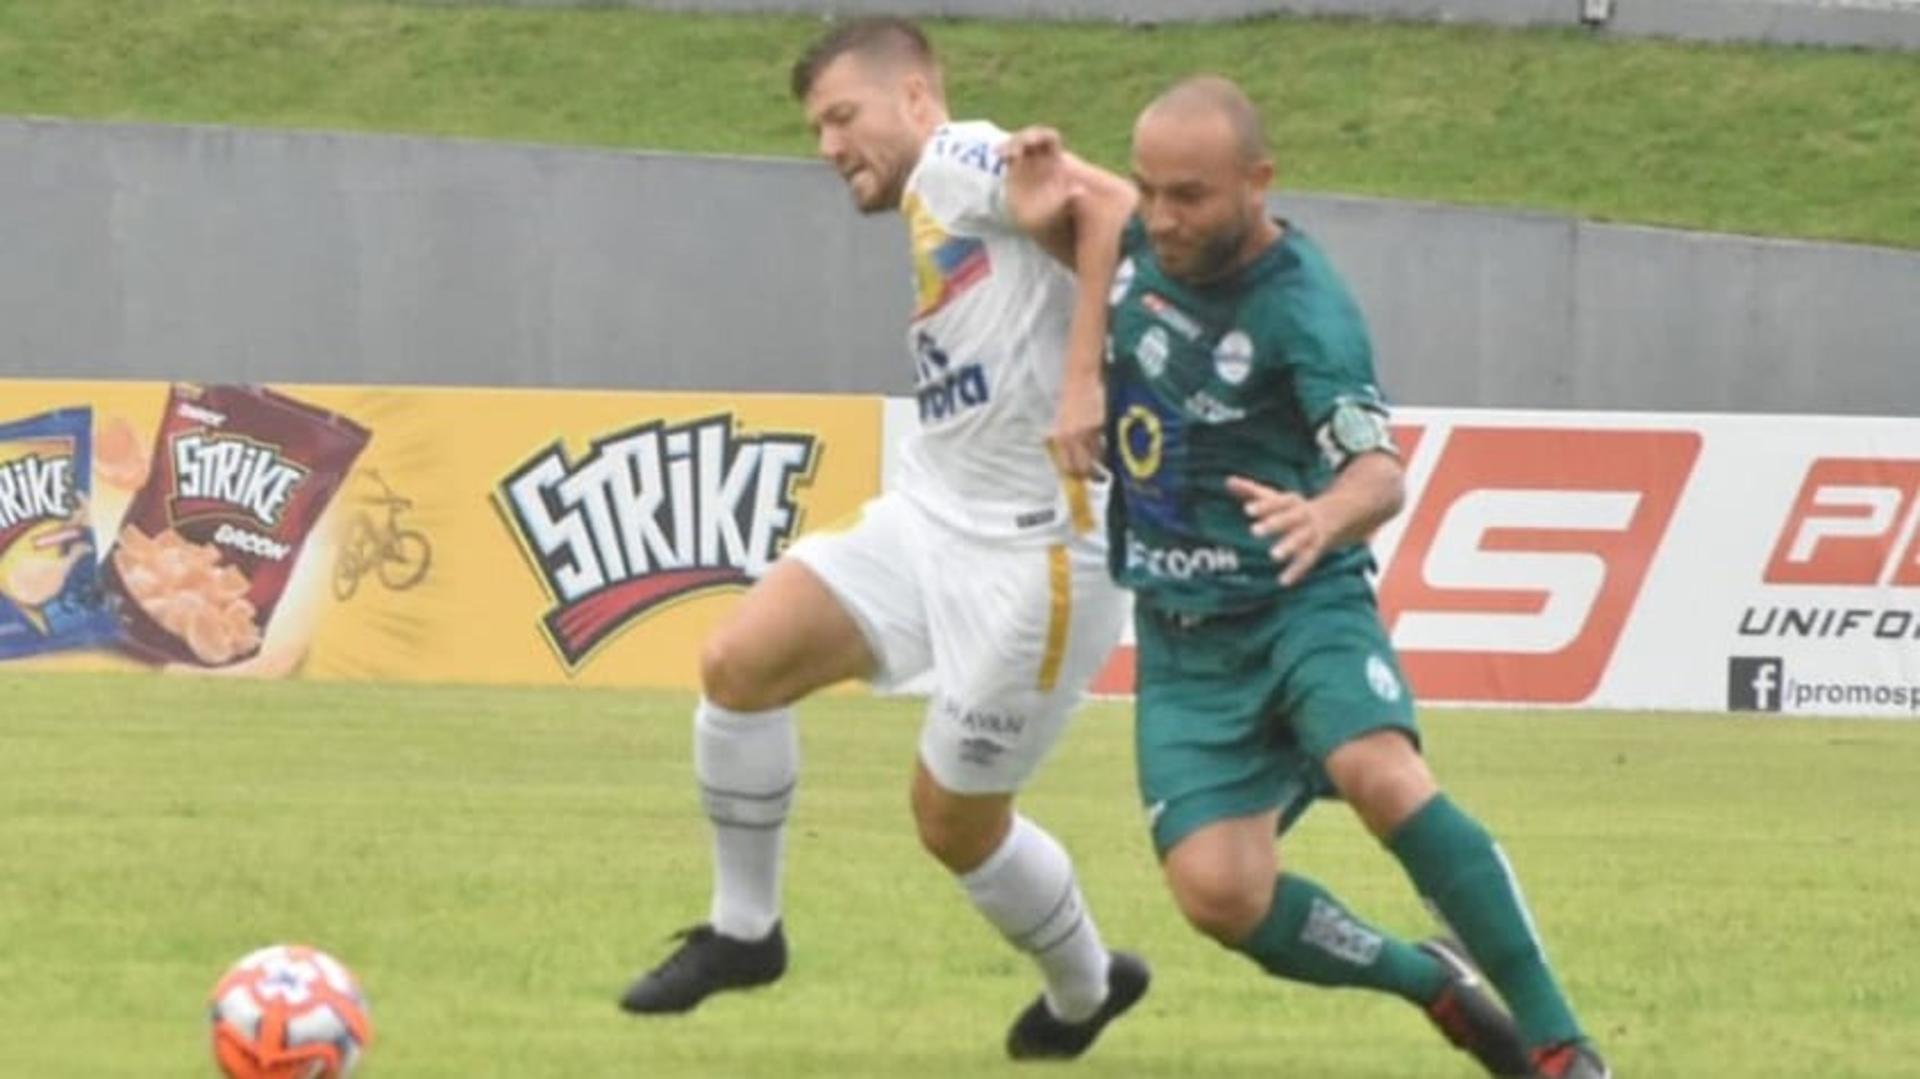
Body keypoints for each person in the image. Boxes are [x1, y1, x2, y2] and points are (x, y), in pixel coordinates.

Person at [619, 17, 1149, 1061]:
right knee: (737, 663)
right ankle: (744, 932)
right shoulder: (931, 195)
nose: (827, 147)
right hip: (931, 513)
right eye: (816, 128)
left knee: (952, 821)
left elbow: (1116, 206)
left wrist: (1083, 377)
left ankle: (1087, 988)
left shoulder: (955, 157)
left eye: (842, 117)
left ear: (916, 100)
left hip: (1039, 552)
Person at [1074, 75, 1611, 1078]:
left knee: (1381, 773)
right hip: (1185, 642)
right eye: (1148, 189)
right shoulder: (1145, 230)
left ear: (1258, 181)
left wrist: (1323, 512)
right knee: (1219, 894)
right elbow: (1068, 202)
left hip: (1298, 599)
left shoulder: (1307, 309)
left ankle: (1560, 1044)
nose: (1162, 215)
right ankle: (1434, 983)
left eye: (1187, 194)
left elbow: (1379, 468)